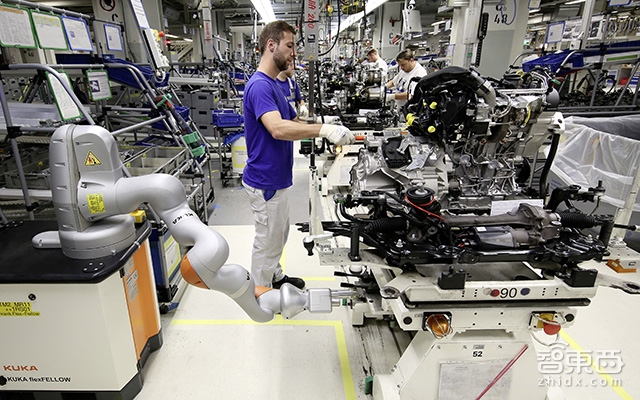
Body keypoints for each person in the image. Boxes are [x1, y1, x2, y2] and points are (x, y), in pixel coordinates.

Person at [242, 20, 355, 290]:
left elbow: (294, 122)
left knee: (279, 235)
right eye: (290, 46)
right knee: (267, 241)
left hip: (277, 178)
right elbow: (278, 128)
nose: (294, 53)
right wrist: (324, 130)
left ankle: (274, 276)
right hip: (265, 180)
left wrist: (327, 125)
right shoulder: (260, 86)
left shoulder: (275, 85)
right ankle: (261, 295)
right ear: (271, 45)